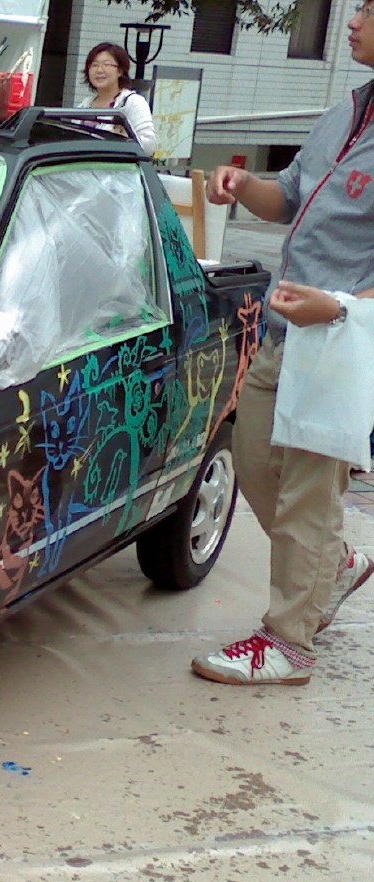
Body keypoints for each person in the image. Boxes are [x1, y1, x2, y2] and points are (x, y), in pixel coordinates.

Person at [190, 0, 374, 686]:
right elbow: (290, 195)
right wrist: (244, 186)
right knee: (252, 459)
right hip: (282, 328)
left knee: (307, 495)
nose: (351, 19)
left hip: (339, 342)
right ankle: (334, 567)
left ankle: (289, 642)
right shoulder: (346, 110)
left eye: (366, 9)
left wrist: (341, 307)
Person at [74, 42, 156, 156]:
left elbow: (149, 146)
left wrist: (126, 140)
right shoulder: (84, 106)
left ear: (120, 71)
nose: (99, 70)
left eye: (106, 64)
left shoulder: (132, 102)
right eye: (94, 65)